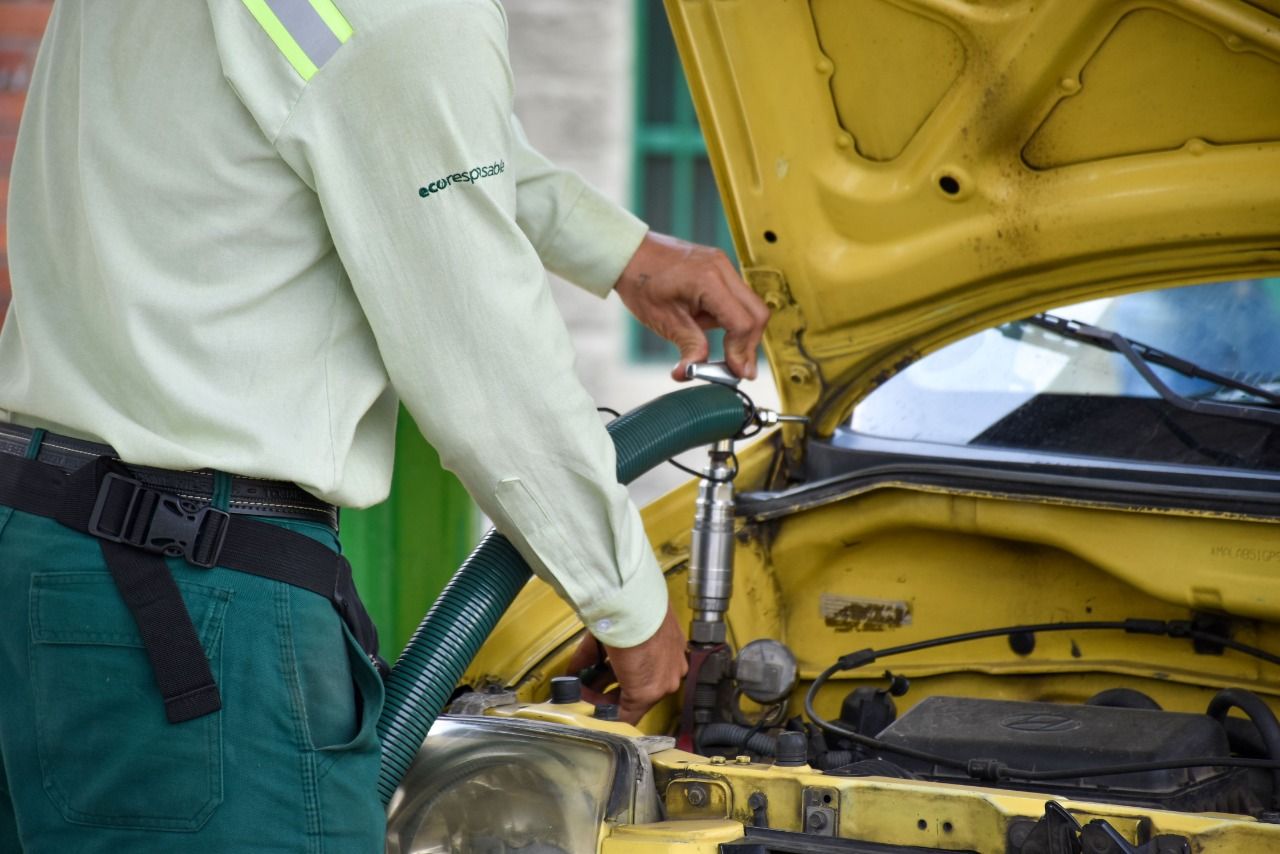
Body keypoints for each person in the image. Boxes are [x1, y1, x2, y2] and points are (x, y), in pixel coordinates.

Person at [0, 1, 769, 852]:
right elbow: (487, 375)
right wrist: (628, 603)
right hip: (192, 607)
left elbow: (367, 106)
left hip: (40, 544)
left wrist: (618, 250)